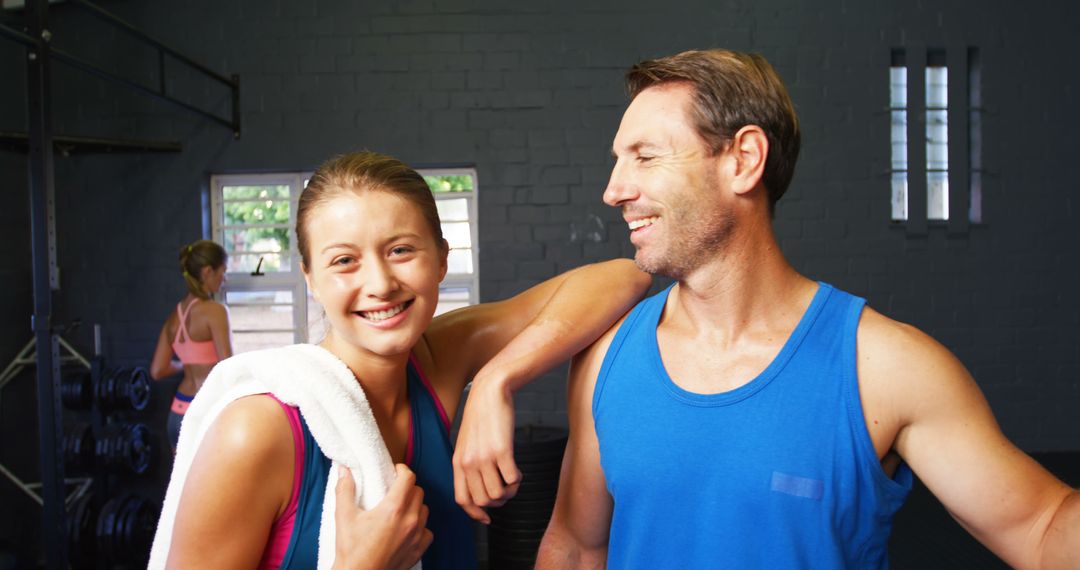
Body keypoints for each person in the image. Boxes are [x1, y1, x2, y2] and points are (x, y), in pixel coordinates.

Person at [534, 49, 1080, 568]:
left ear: (743, 160)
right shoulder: (605, 360)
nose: (613, 190)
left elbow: (1041, 527)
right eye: (618, 162)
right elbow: (578, 549)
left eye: (645, 157)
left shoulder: (887, 368)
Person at [151, 151, 652, 569]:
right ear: (310, 277)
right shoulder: (257, 430)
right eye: (344, 260)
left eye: (400, 250)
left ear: (441, 259)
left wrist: (495, 380)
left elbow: (621, 278)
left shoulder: (438, 360)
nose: (380, 284)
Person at [150, 239, 233, 453]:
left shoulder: (173, 317)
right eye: (222, 271)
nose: (224, 279)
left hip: (177, 413)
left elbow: (157, 370)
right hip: (205, 410)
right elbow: (227, 367)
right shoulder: (215, 311)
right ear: (207, 272)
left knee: (184, 485)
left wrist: (185, 364)